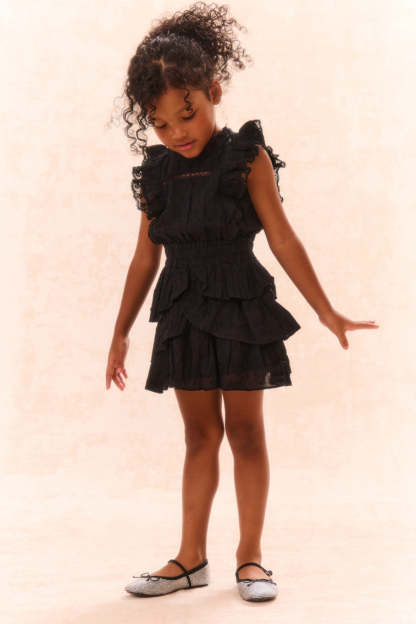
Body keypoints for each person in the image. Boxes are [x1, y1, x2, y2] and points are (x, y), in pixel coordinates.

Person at [105, 1, 379, 602]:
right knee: (198, 437)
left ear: (214, 92)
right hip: (182, 308)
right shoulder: (157, 173)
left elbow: (282, 237)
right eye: (160, 123)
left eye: (187, 114)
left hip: (239, 304)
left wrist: (326, 310)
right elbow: (145, 257)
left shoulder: (245, 158)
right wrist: (120, 332)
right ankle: (189, 558)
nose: (177, 132)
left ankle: (250, 557)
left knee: (247, 433)